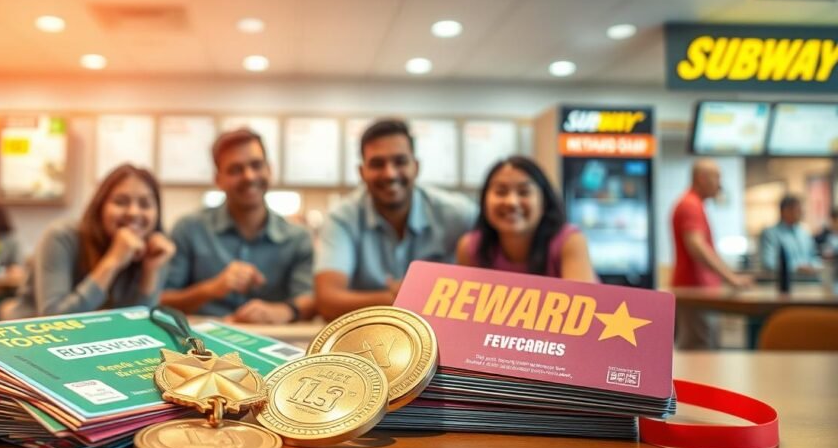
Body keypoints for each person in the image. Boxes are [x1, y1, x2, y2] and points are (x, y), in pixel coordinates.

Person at [314, 118, 475, 320]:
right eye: (377, 164)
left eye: (400, 162)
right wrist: (409, 298)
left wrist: (396, 298)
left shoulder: (460, 215)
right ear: (362, 172)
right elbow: (328, 301)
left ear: (416, 167)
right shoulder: (342, 218)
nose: (390, 174)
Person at [160, 128, 315, 323]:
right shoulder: (189, 229)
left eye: (256, 165)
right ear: (218, 180)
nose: (249, 176)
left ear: (270, 170)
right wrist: (210, 289)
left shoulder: (298, 238)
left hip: (273, 338)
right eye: (235, 170)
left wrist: (282, 311)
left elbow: (310, 299)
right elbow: (162, 299)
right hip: (202, 343)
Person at [0, 165, 175, 319]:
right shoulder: (61, 237)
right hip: (28, 344)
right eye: (121, 202)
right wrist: (113, 260)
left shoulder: (154, 250)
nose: (133, 212)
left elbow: (138, 323)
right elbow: (54, 319)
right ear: (100, 206)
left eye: (145, 204)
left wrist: (150, 271)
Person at [456, 156, 596, 282]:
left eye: (524, 192)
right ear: (484, 200)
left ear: (544, 202)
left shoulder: (570, 242)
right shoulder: (470, 248)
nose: (512, 202)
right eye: (501, 192)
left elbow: (584, 305)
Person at [670, 159, 752, 350]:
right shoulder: (690, 205)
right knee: (699, 350)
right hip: (694, 290)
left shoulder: (693, 204)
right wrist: (732, 278)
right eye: (717, 177)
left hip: (698, 290)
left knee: (701, 348)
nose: (720, 184)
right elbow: (697, 247)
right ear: (701, 178)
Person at [760, 195, 821, 274]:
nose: (802, 212)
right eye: (798, 209)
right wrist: (796, 268)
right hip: (786, 281)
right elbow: (769, 263)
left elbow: (815, 257)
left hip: (809, 280)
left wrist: (813, 266)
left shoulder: (805, 233)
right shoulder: (770, 234)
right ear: (785, 211)